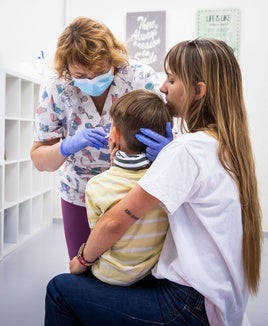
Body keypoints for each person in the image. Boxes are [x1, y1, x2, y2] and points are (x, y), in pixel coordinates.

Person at [45, 38, 263, 326]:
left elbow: (114, 222)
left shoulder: (186, 150)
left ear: (199, 90)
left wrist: (81, 260)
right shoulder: (226, 146)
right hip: (220, 300)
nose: (162, 88)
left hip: (188, 306)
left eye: (171, 80)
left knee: (60, 289)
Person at [30, 16, 161, 259]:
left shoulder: (139, 77)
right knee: (82, 266)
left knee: (132, 270)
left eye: (100, 72)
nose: (91, 80)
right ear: (67, 69)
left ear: (113, 59)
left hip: (132, 189)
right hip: (79, 191)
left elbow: (162, 131)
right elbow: (39, 160)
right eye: (81, 74)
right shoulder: (56, 87)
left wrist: (163, 150)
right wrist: (67, 146)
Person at [69, 89, 172, 286]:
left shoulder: (97, 186)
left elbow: (102, 235)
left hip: (109, 276)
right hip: (150, 274)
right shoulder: (164, 181)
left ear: (114, 135)